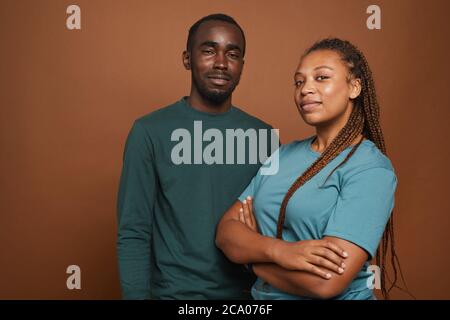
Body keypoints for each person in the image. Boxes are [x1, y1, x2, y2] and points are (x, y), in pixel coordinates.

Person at [216, 38, 403, 300]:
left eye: (322, 78)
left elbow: (326, 284)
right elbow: (226, 231)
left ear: (355, 87)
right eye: (299, 81)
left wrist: (250, 259)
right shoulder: (283, 155)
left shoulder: (369, 168)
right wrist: (279, 251)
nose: (305, 89)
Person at [116, 13, 277, 299]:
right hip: (174, 297)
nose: (221, 63)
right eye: (208, 50)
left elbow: (276, 230)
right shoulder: (148, 132)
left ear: (242, 66)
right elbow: (134, 231)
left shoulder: (266, 138)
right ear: (187, 59)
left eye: (232, 54)